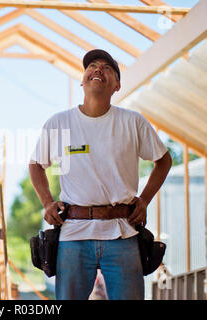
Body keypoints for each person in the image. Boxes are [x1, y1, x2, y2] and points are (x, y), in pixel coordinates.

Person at [29, 49, 172, 300]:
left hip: (122, 232)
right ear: (83, 80)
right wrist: (47, 203)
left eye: (107, 68)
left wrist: (145, 199)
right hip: (73, 233)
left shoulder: (133, 122)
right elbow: (36, 165)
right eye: (92, 66)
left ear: (117, 85)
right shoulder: (59, 122)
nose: (98, 69)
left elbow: (164, 160)